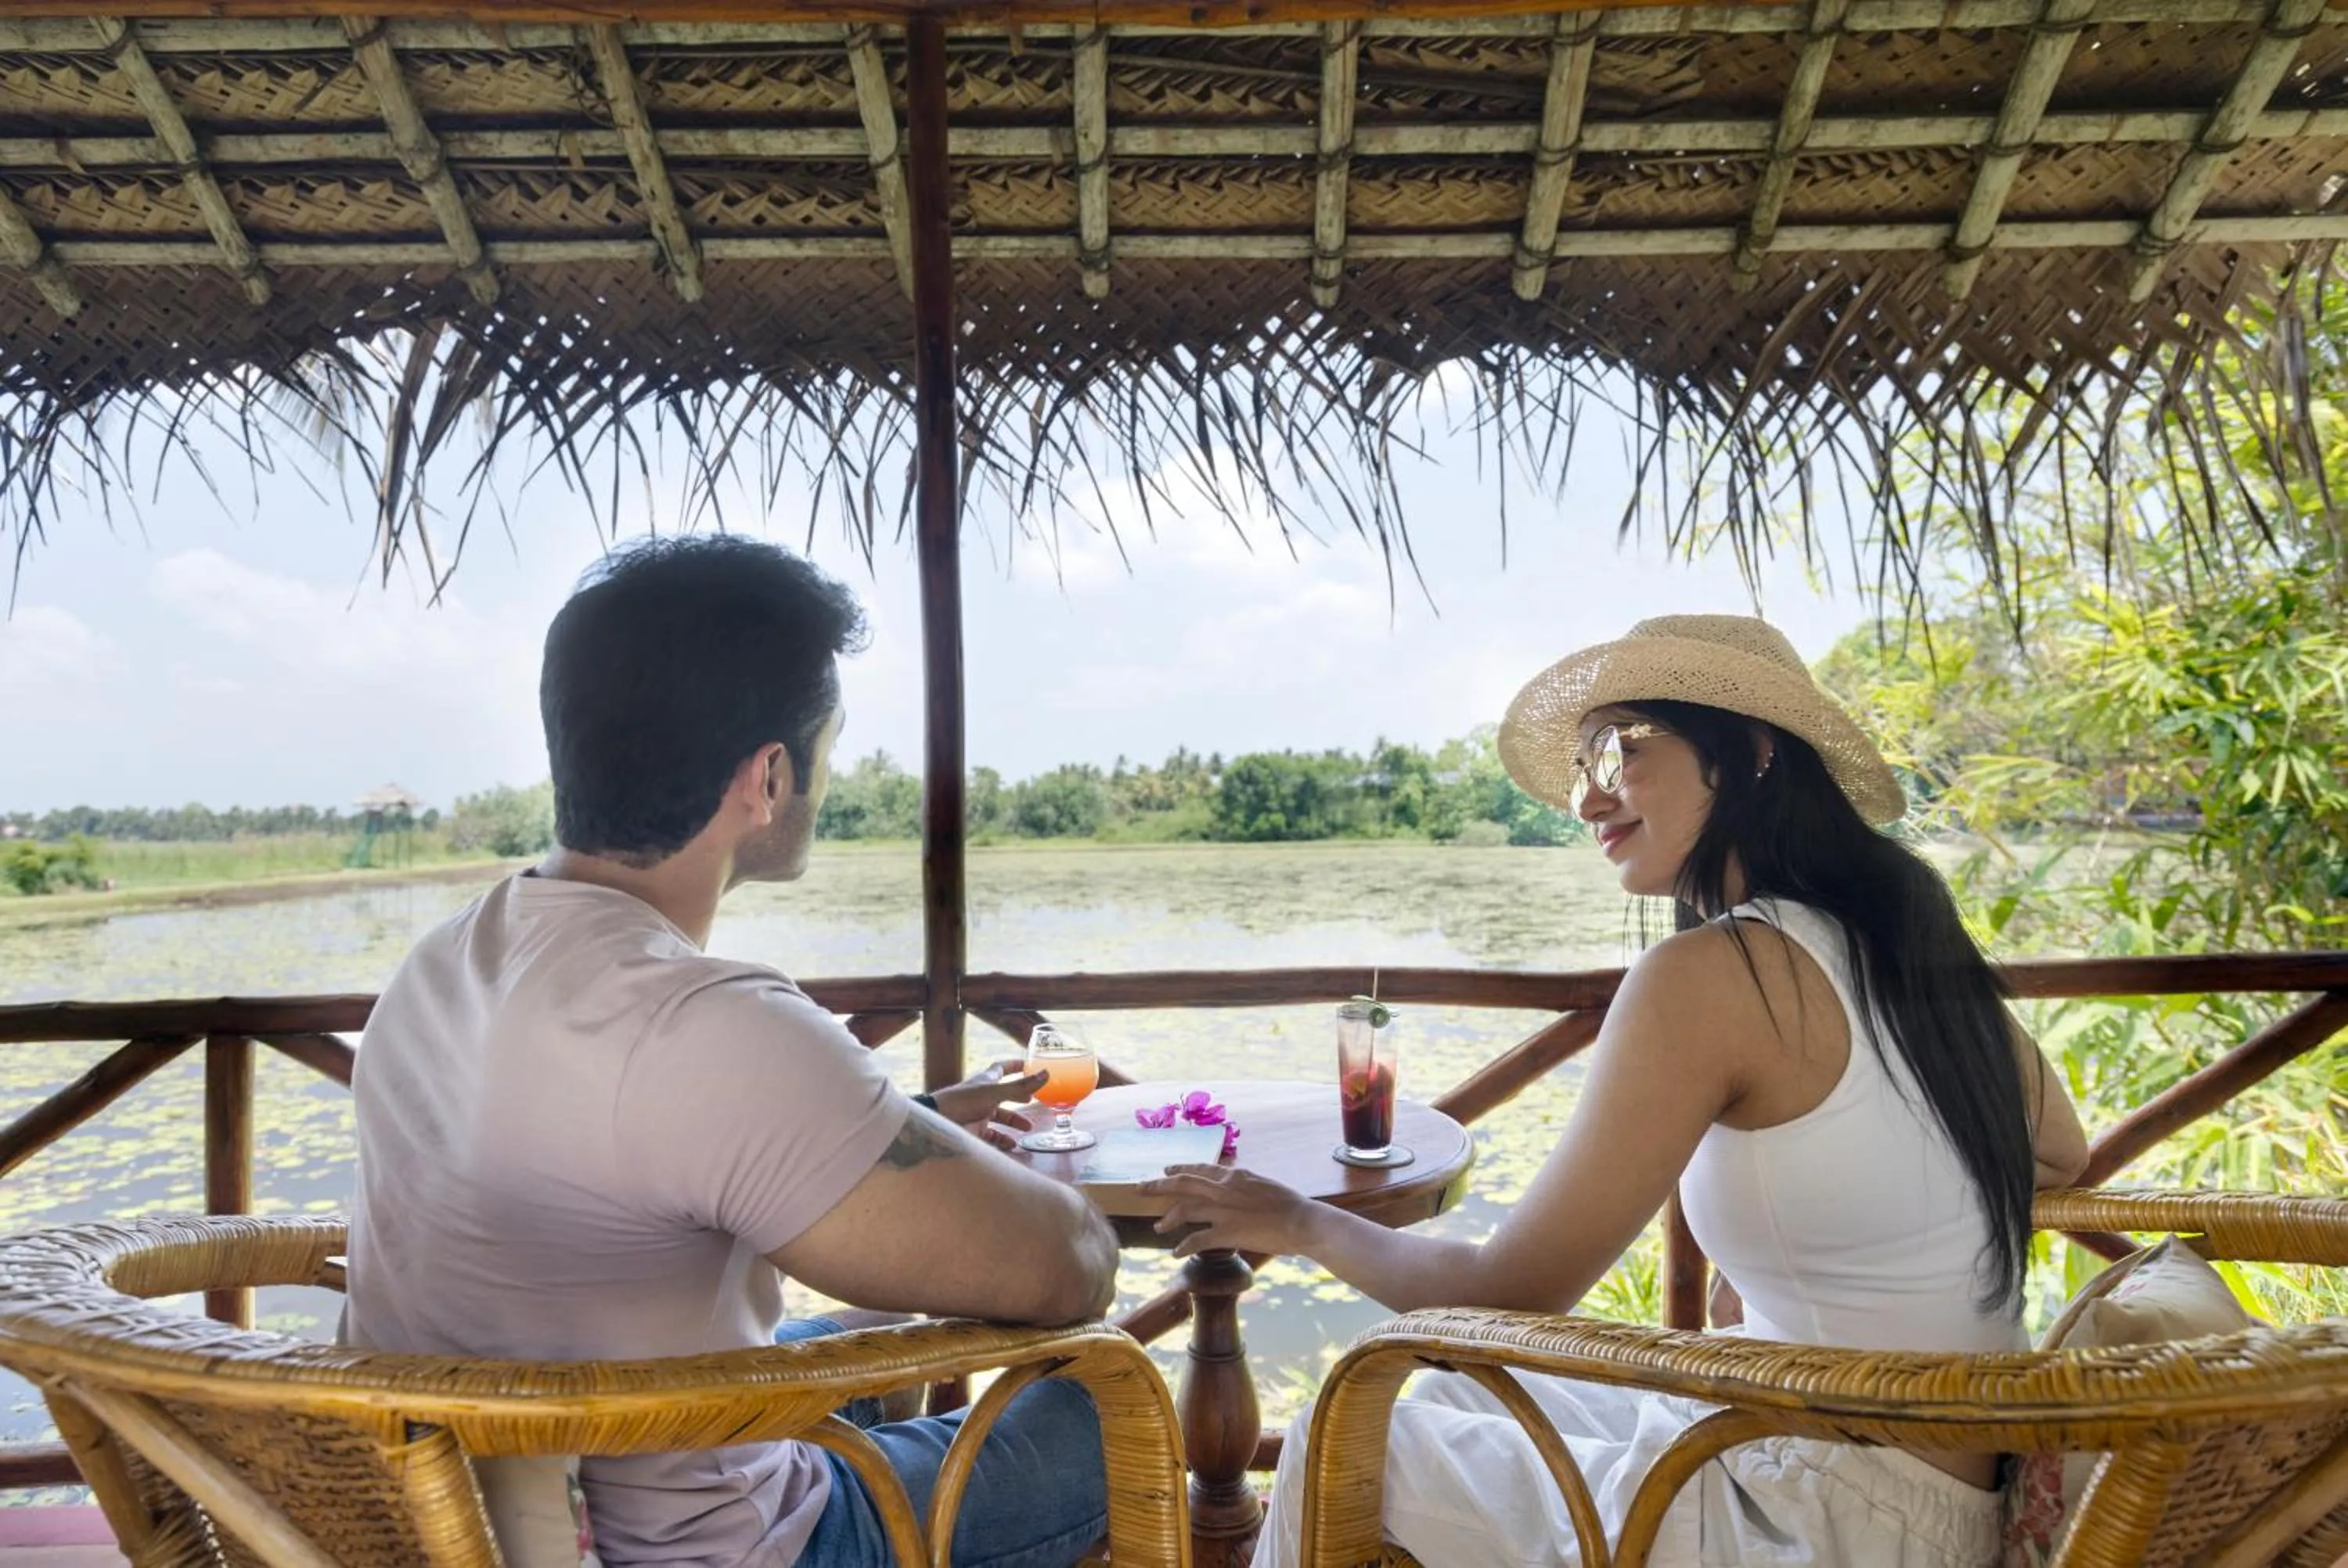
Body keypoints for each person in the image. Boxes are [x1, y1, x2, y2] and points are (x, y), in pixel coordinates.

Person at [1143, 613, 2091, 1568]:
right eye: (1583, 768)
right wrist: (1824, 1232)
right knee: (1438, 1393)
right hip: (1935, 1487)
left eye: (1621, 753)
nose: (1589, 802)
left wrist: (1297, 1221)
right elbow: (2064, 1150)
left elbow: (1513, 1293)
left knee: (1348, 1420)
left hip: (1819, 1519)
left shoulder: (1713, 974)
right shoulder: (1901, 939)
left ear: (1753, 753)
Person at [345, 537, 1122, 1568]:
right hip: (705, 1550)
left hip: (470, 1516)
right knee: (1110, 1408)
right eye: (826, 751)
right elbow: (1069, 1268)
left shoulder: (440, 967)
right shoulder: (703, 1021)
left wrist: (921, 1120)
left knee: (850, 1351)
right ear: (767, 778)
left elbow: (630, 1150)